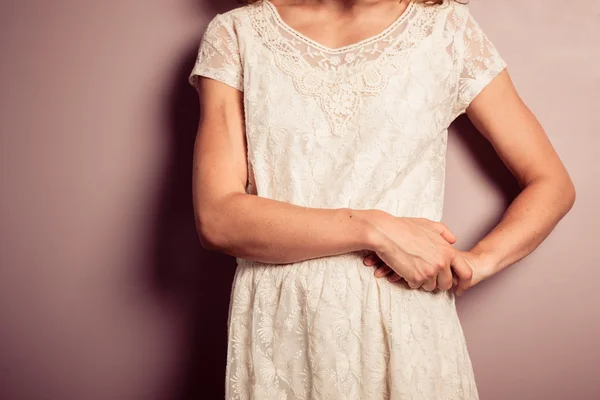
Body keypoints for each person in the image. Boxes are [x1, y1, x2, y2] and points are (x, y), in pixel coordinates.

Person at [187, 0, 576, 398]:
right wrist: (376, 229)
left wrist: (474, 265)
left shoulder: (447, 30)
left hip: (405, 324)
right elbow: (218, 219)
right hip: (285, 329)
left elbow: (552, 184)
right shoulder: (236, 34)